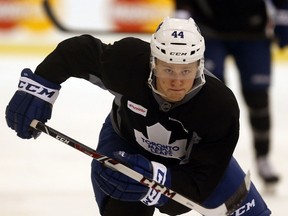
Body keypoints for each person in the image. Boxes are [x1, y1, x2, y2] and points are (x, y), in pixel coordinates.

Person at [5, 17, 271, 216]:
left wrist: (159, 182)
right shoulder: (128, 62)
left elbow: (197, 186)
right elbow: (76, 52)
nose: (177, 82)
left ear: (200, 65)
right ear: (153, 63)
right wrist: (39, 88)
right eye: (168, 69)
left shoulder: (219, 106)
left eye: (186, 70)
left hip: (192, 166)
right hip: (125, 146)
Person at [175, 0, 288, 185]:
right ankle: (210, 158)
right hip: (209, 30)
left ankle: (263, 157)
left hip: (253, 32)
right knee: (211, 96)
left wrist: (284, 14)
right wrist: (181, 12)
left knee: (258, 97)